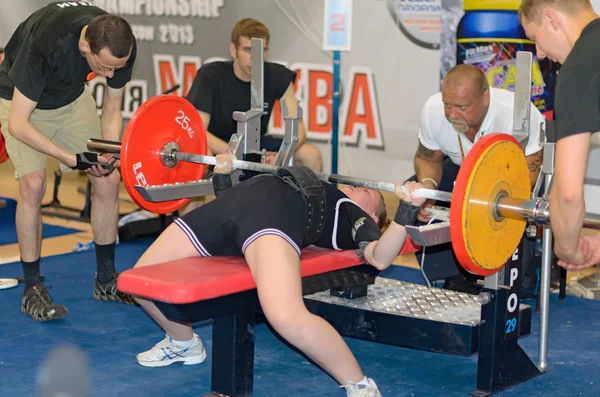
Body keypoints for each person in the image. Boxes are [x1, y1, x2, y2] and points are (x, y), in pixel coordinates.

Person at [129, 153, 426, 397]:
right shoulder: (334, 190)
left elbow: (380, 256)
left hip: (275, 213)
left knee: (286, 316)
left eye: (369, 192)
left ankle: (360, 386)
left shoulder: (353, 214)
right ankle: (183, 343)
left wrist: (406, 212)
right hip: (234, 205)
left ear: (374, 217)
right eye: (360, 186)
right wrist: (224, 174)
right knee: (140, 279)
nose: (360, 188)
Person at [0, 1, 138, 322]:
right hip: (19, 101)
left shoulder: (119, 46)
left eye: (117, 68)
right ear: (83, 45)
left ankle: (106, 279)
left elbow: (113, 107)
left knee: (107, 177)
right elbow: (20, 123)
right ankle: (32, 289)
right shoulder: (47, 44)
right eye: (103, 68)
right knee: (33, 185)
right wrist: (68, 158)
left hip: (70, 101)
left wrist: (108, 150)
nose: (109, 74)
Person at [411, 64, 546, 293]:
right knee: (414, 196)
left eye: (462, 106)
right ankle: (455, 276)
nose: (452, 114)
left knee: (514, 289)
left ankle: (521, 268)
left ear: (485, 98)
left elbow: (529, 178)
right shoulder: (433, 110)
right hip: (460, 173)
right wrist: (427, 190)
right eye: (448, 105)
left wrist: (477, 205)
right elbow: (428, 160)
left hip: (511, 181)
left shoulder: (518, 114)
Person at [519, 0, 600, 271]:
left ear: (552, 19)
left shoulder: (580, 67)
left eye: (535, 38)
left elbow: (568, 194)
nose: (540, 53)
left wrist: (566, 249)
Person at [185, 18, 323, 172]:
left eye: (261, 50)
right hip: (219, 144)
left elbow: (298, 130)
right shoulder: (210, 75)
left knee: (311, 155)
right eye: (248, 49)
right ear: (233, 50)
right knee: (203, 154)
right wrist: (234, 155)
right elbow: (198, 129)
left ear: (267, 51)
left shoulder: (279, 76)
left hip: (256, 144)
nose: (255, 57)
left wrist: (280, 156)